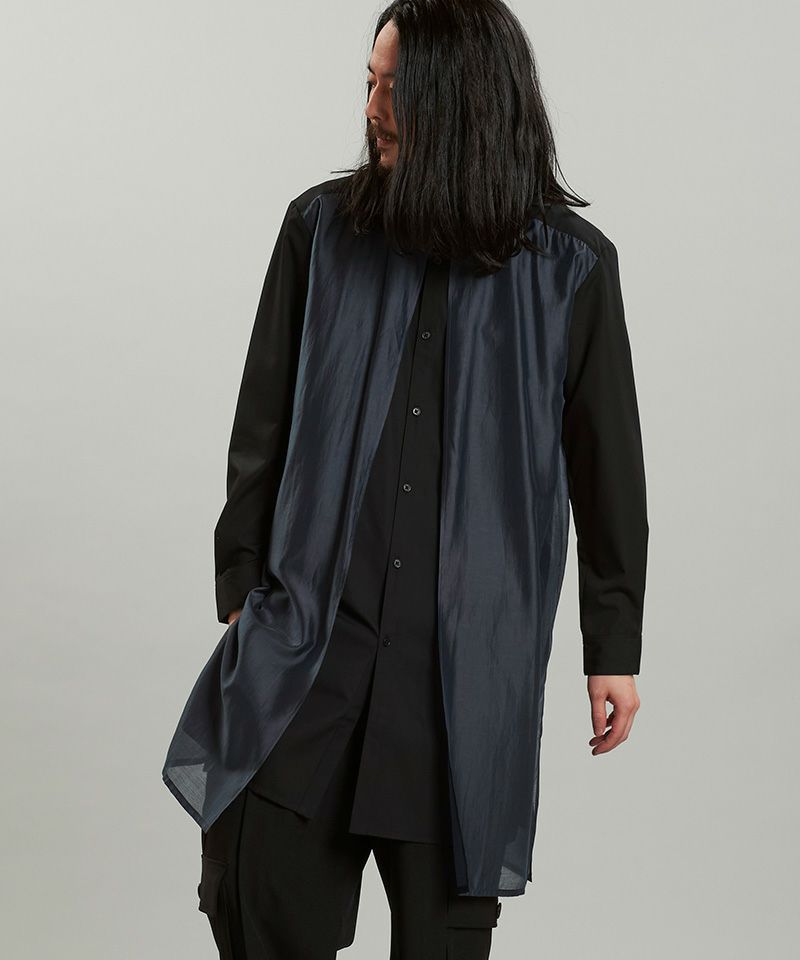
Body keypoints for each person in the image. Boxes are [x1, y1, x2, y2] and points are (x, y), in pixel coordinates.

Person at [163, 2, 649, 957]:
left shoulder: (571, 271)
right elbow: (262, 421)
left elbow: (608, 468)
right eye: (370, 83)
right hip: (309, 663)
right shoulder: (319, 231)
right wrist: (242, 588)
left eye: (397, 88)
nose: (373, 108)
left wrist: (613, 646)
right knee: (256, 908)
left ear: (464, 100)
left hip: (457, 687)